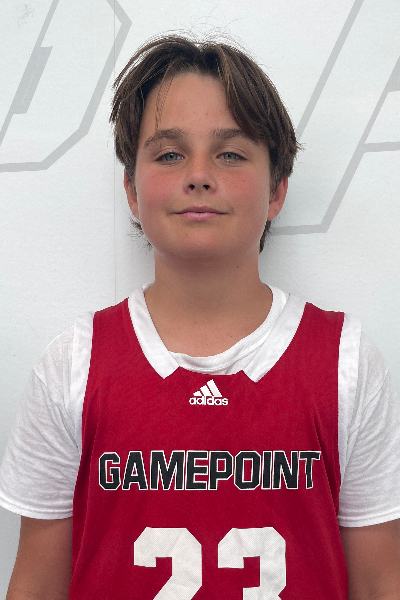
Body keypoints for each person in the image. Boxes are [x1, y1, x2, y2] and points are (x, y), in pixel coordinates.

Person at [1, 32, 400, 600]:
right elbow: (36, 585)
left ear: (277, 189)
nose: (198, 174)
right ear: (131, 190)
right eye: (169, 154)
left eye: (230, 154)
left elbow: (381, 581)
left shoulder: (346, 362)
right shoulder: (73, 365)